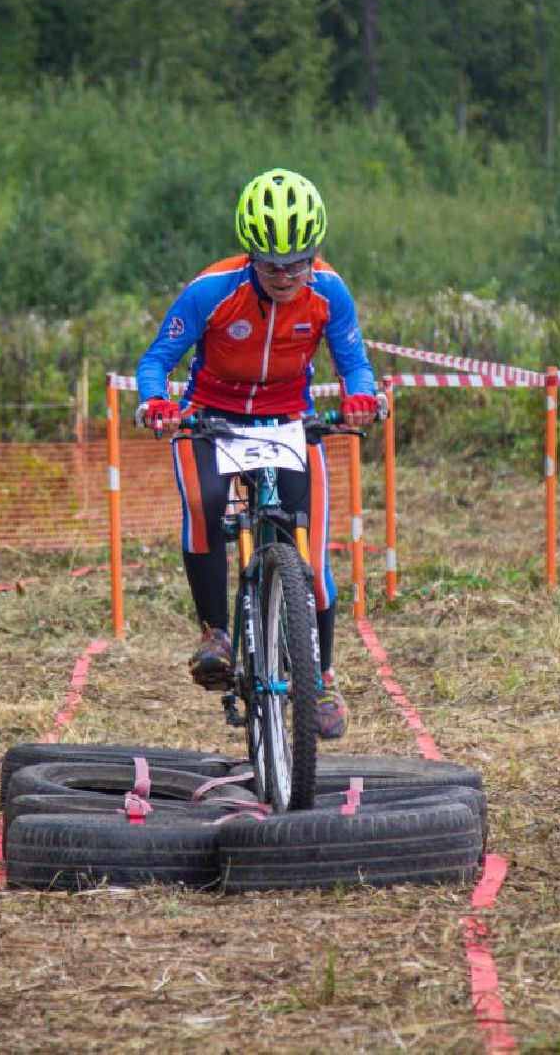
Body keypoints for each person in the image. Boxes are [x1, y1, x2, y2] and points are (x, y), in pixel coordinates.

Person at [134, 168, 381, 741]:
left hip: (288, 420)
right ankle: (214, 633)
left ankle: (319, 676)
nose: (286, 275)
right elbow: (155, 361)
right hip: (211, 419)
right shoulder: (212, 291)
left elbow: (355, 362)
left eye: (298, 262)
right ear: (251, 255)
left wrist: (361, 396)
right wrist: (156, 402)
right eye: (271, 264)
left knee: (313, 565)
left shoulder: (329, 293)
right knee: (204, 502)